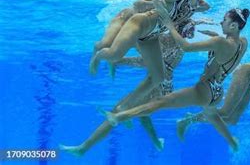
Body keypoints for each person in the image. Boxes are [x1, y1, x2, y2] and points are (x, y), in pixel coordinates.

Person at [59, 19, 216, 156]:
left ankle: (83, 149)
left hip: (159, 86)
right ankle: (156, 141)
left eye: (190, 31)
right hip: (161, 85)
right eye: (189, 30)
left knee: (117, 112)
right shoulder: (172, 41)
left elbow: (144, 61)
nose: (190, 34)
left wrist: (118, 60)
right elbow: (146, 59)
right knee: (143, 114)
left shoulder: (170, 42)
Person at [105, 6, 250, 151]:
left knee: (160, 102)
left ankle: (118, 117)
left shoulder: (220, 42)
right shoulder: (243, 43)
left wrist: (169, 24)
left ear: (234, 25)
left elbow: (186, 46)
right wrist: (214, 39)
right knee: (212, 115)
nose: (220, 22)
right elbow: (226, 54)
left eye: (224, 20)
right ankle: (231, 141)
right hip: (218, 92)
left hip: (205, 90)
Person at [89, 0, 210, 89]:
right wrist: (155, 3)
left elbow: (197, 6)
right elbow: (136, 5)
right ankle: (97, 53)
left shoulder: (183, 4)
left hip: (146, 30)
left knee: (130, 57)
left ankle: (113, 60)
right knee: (106, 43)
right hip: (125, 17)